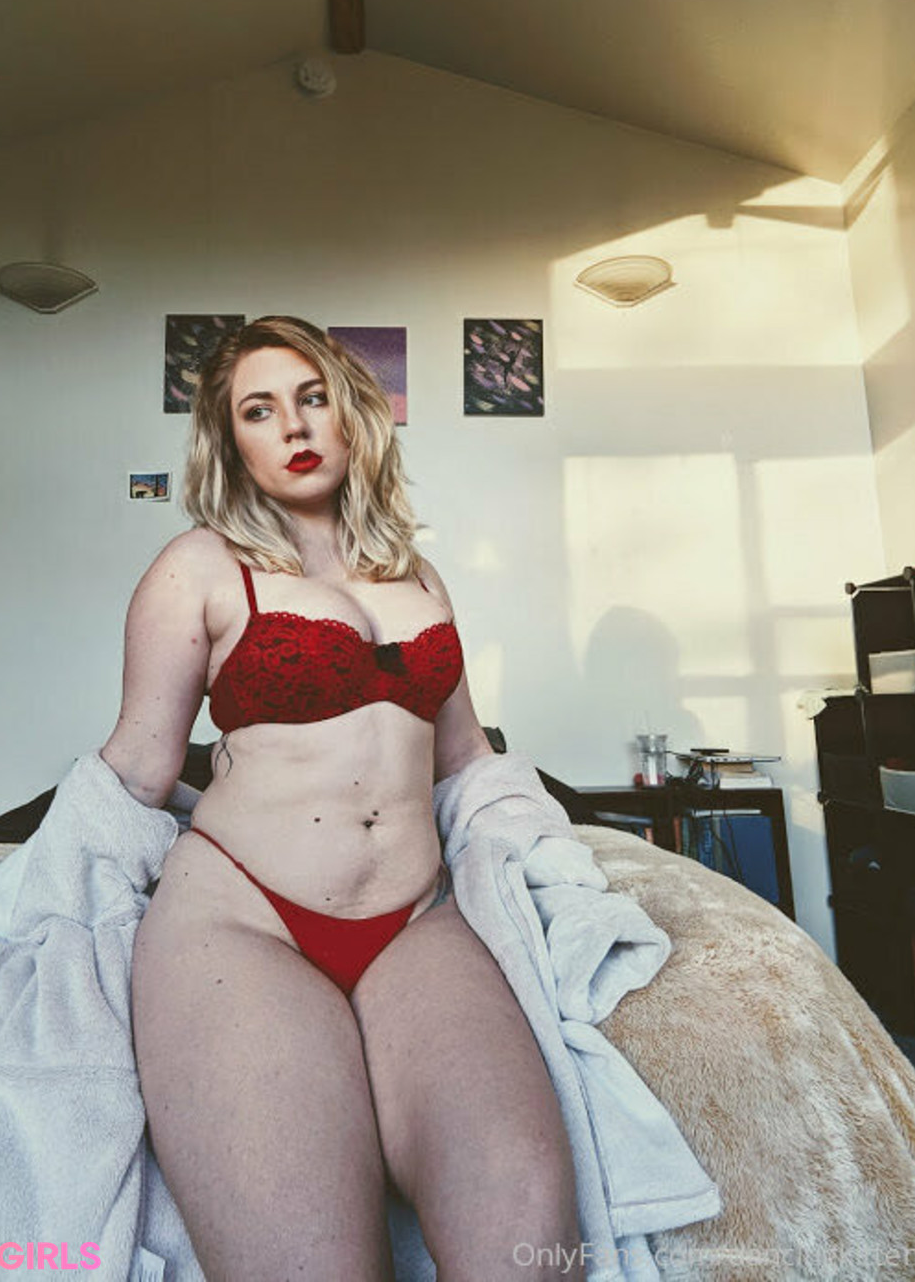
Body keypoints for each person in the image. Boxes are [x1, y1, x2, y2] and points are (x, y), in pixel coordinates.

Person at [101, 315, 581, 1281]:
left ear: (351, 413)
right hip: (243, 923)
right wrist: (31, 893)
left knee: (536, 1254)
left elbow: (465, 754)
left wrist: (555, 857)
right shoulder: (199, 565)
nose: (293, 425)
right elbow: (141, 768)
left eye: (312, 397)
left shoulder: (418, 572)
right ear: (230, 440)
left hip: (416, 922)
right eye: (259, 410)